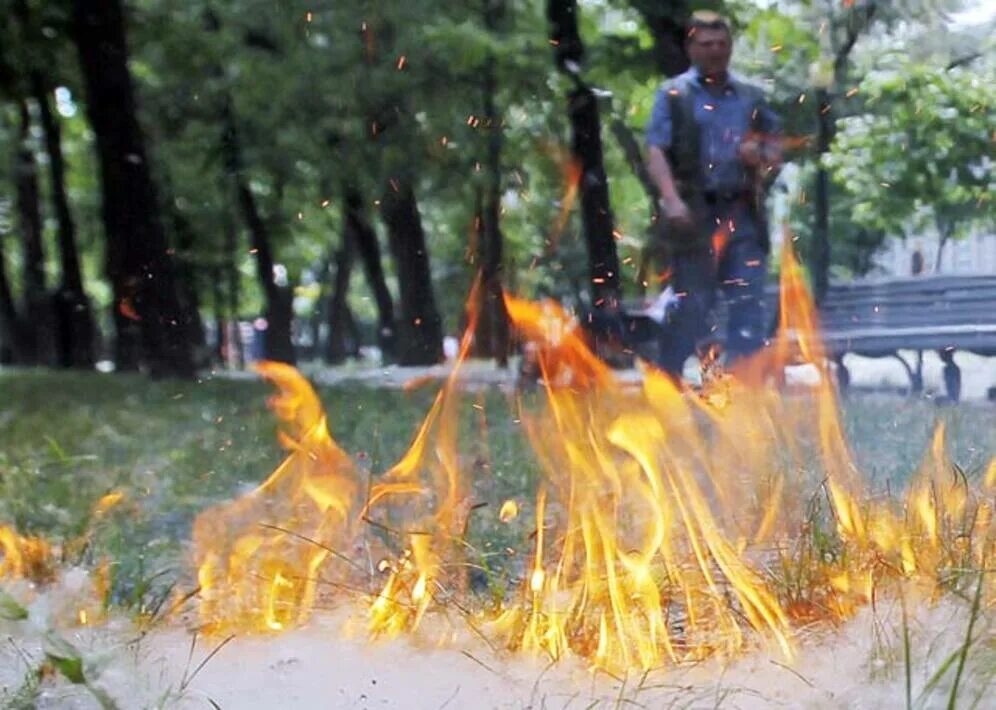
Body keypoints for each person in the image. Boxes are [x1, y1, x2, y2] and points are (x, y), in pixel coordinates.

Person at [645, 11, 782, 380]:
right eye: (707, 45)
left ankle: (744, 392)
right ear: (691, 48)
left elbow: (777, 150)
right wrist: (671, 201)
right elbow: (656, 150)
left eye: (722, 44)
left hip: (742, 213)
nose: (716, 52)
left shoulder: (752, 96)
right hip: (694, 216)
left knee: (747, 304)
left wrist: (763, 156)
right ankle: (668, 381)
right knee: (691, 305)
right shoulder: (674, 94)